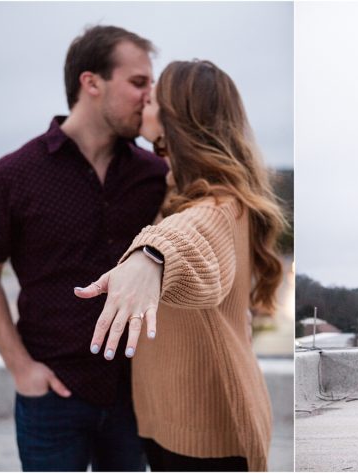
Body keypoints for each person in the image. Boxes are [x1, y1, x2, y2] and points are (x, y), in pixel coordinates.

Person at [74, 60, 286, 471]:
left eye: (152, 98)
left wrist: (151, 256)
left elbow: (196, 235)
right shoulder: (177, 188)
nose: (142, 102)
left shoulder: (224, 204)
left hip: (208, 432)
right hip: (165, 422)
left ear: (176, 119)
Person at [0, 25, 166, 471]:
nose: (149, 97)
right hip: (52, 395)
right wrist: (21, 369)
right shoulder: (12, 176)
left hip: (135, 393)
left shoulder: (155, 176)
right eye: (138, 82)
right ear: (92, 82)